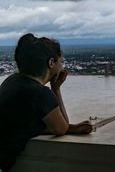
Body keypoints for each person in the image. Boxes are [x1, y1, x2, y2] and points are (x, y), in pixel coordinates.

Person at [0, 34, 93, 171]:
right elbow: (61, 128)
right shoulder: (41, 93)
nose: (62, 66)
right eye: (61, 62)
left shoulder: (12, 81)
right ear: (51, 63)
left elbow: (20, 127)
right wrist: (56, 90)